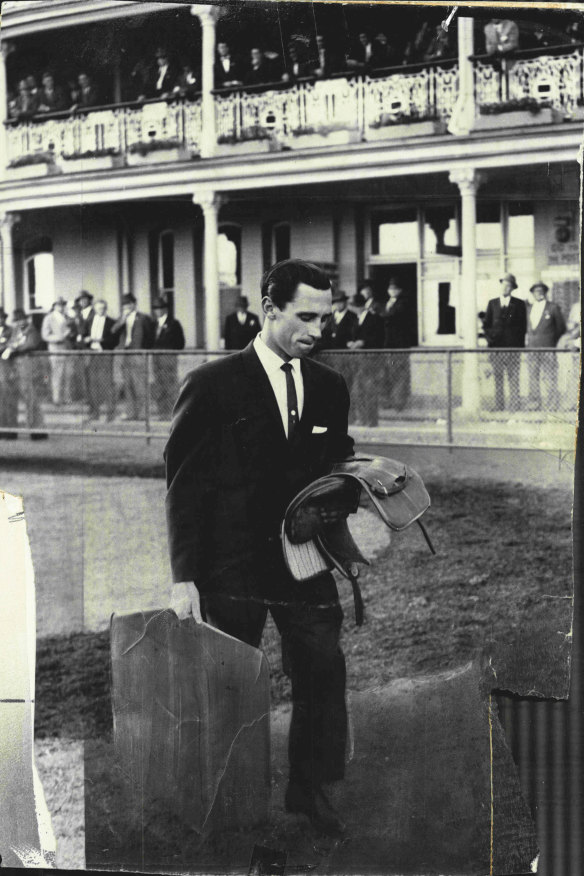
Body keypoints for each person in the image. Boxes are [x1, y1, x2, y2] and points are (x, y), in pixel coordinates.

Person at [165, 259, 354, 837]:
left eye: (324, 318)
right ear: (268, 309)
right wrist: (184, 576)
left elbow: (337, 463)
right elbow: (183, 485)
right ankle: (226, 797)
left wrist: (354, 486)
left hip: (304, 562)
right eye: (304, 317)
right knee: (227, 685)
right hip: (231, 569)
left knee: (323, 672)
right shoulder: (212, 384)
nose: (317, 331)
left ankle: (312, 791)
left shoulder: (328, 385)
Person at [483, 273, 527, 412]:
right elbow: (486, 325)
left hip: (513, 349)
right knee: (498, 379)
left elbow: (523, 327)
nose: (505, 288)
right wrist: (491, 341)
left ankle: (514, 407)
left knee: (513, 379)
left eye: (508, 286)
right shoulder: (492, 303)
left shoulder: (519, 304)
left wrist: (518, 347)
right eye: (503, 284)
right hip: (496, 349)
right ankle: (499, 406)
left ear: (512, 288)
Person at [1, 309, 47, 439]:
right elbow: (10, 343)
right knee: (10, 398)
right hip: (15, 368)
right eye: (17, 320)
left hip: (28, 367)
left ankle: (37, 430)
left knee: (30, 399)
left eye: (21, 319)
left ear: (26, 319)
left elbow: (30, 345)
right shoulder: (16, 331)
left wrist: (13, 349)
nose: (19, 322)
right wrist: (10, 348)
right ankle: (11, 431)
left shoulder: (32, 330)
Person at [111, 293, 154, 420]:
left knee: (140, 385)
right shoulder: (121, 319)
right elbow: (113, 332)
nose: (127, 306)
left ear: (134, 304)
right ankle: (131, 413)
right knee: (128, 385)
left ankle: (142, 414)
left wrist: (143, 350)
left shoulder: (143, 318)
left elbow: (150, 336)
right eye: (124, 304)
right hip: (125, 354)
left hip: (137, 354)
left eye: (129, 303)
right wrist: (122, 320)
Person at [347, 283, 384, 426]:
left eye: (355, 306)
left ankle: (371, 420)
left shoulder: (373, 318)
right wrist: (351, 342)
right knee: (358, 390)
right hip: (359, 359)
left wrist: (363, 342)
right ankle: (363, 418)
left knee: (370, 390)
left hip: (370, 358)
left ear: (360, 305)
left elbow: (378, 337)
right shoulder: (356, 319)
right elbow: (352, 335)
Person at [525, 282, 566, 411]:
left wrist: (551, 341)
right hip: (532, 349)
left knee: (549, 376)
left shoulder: (553, 307)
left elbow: (561, 328)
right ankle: (535, 404)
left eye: (541, 290)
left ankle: (551, 405)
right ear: (532, 293)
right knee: (533, 377)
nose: (539, 293)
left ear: (545, 292)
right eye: (536, 291)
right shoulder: (529, 308)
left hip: (548, 348)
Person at [383, 277, 417, 411]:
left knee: (399, 374)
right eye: (390, 288)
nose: (392, 291)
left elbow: (393, 317)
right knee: (390, 374)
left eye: (395, 289)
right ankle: (392, 400)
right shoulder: (387, 303)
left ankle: (399, 402)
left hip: (399, 344)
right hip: (388, 344)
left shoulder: (404, 303)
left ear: (400, 290)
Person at [83, 299, 119, 421]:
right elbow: (83, 336)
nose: (101, 311)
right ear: (94, 308)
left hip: (105, 354)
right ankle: (94, 413)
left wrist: (100, 341)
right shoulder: (89, 321)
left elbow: (114, 340)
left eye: (103, 308)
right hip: (92, 355)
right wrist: (86, 340)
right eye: (98, 308)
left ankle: (110, 413)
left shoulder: (111, 322)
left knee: (107, 384)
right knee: (93, 384)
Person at [152, 296, 185, 418]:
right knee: (158, 385)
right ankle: (162, 412)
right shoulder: (154, 324)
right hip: (156, 358)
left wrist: (170, 352)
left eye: (161, 308)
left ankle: (172, 412)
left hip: (168, 358)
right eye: (156, 308)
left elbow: (180, 342)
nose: (158, 311)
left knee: (170, 386)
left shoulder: (173, 323)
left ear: (166, 309)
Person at [41, 296, 73, 405]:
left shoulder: (68, 318)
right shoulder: (49, 318)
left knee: (68, 374)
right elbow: (45, 335)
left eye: (62, 305)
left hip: (68, 349)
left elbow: (72, 331)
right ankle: (56, 399)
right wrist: (59, 338)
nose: (61, 307)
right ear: (54, 306)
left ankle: (67, 398)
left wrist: (71, 334)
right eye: (58, 305)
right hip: (56, 349)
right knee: (56, 374)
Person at [0, 308, 18, 439]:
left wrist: (5, 347)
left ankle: (11, 430)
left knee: (8, 399)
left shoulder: (11, 330)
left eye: (1, 317)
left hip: (6, 369)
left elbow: (13, 344)